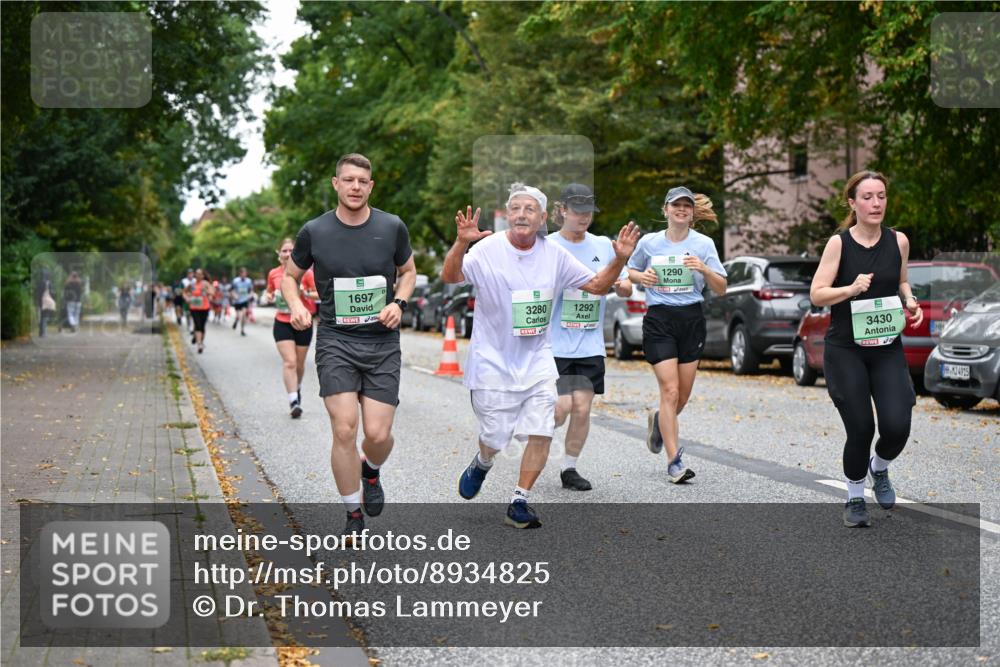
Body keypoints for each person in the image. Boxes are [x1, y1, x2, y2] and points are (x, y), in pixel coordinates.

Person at [445, 183, 639, 529]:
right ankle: (483, 461)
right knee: (495, 436)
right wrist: (461, 243)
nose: (522, 214)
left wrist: (621, 259)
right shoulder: (488, 248)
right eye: (516, 208)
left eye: (530, 209)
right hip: (491, 360)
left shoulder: (554, 254)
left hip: (537, 358)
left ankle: (519, 500)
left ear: (543, 218)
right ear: (508, 214)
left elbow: (595, 285)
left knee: (542, 429)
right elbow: (451, 276)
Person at [283, 153, 417, 537]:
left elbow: (408, 272)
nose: (355, 186)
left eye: (362, 180)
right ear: (336, 184)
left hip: (382, 343)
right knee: (344, 429)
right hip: (336, 341)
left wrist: (398, 303)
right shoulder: (315, 231)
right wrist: (296, 306)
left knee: (376, 435)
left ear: (370, 186)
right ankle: (352, 513)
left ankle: (370, 472)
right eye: (349, 180)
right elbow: (290, 278)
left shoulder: (392, 227)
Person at [809, 170, 922, 528]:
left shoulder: (898, 241)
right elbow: (817, 294)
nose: (876, 204)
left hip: (887, 346)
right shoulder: (839, 244)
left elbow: (901, 280)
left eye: (881, 196)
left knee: (897, 425)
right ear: (852, 203)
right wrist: (851, 289)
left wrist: (910, 300)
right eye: (868, 197)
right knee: (860, 428)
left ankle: (880, 468)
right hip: (846, 349)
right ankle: (855, 497)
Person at [629, 186, 727, 484]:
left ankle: (659, 420)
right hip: (660, 319)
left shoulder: (704, 244)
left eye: (687, 205)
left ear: (692, 212)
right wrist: (641, 277)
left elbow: (721, 287)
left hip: (691, 319)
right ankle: (674, 462)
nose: (681, 210)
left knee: (681, 397)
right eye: (676, 205)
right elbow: (630, 270)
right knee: (669, 391)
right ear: (666, 210)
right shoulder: (649, 243)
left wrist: (704, 270)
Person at [548, 184, 632, 491]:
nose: (584, 217)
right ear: (562, 210)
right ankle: (535, 436)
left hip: (589, 343)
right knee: (560, 409)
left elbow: (624, 284)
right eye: (577, 211)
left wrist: (623, 286)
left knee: (582, 407)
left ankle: (569, 468)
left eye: (588, 212)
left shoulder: (602, 245)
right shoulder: (547, 245)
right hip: (553, 343)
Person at [262, 238, 318, 418]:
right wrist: (268, 296)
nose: (287, 254)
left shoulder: (307, 274)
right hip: (282, 321)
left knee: (299, 364)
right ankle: (293, 400)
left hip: (303, 322)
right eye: (284, 251)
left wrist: (305, 293)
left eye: (291, 251)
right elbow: (269, 291)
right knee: (290, 362)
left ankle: (297, 387)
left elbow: (319, 294)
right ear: (279, 254)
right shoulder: (273, 274)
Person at [184, 268, 214, 353]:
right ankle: (199, 344)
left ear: (203, 276)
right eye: (196, 274)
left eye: (199, 274)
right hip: (194, 307)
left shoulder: (206, 283)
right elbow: (184, 292)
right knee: (197, 325)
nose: (197, 275)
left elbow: (212, 292)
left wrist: (207, 292)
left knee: (202, 326)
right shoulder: (192, 284)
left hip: (204, 307)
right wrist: (187, 298)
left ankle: (199, 339)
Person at [230, 267, 254, 336]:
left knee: (243, 315)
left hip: (245, 300)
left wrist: (250, 295)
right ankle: (236, 320)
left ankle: (242, 330)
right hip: (237, 301)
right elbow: (231, 290)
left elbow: (251, 290)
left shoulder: (249, 281)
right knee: (238, 316)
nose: (244, 275)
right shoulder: (235, 281)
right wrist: (234, 296)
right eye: (243, 273)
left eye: (245, 273)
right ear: (240, 273)